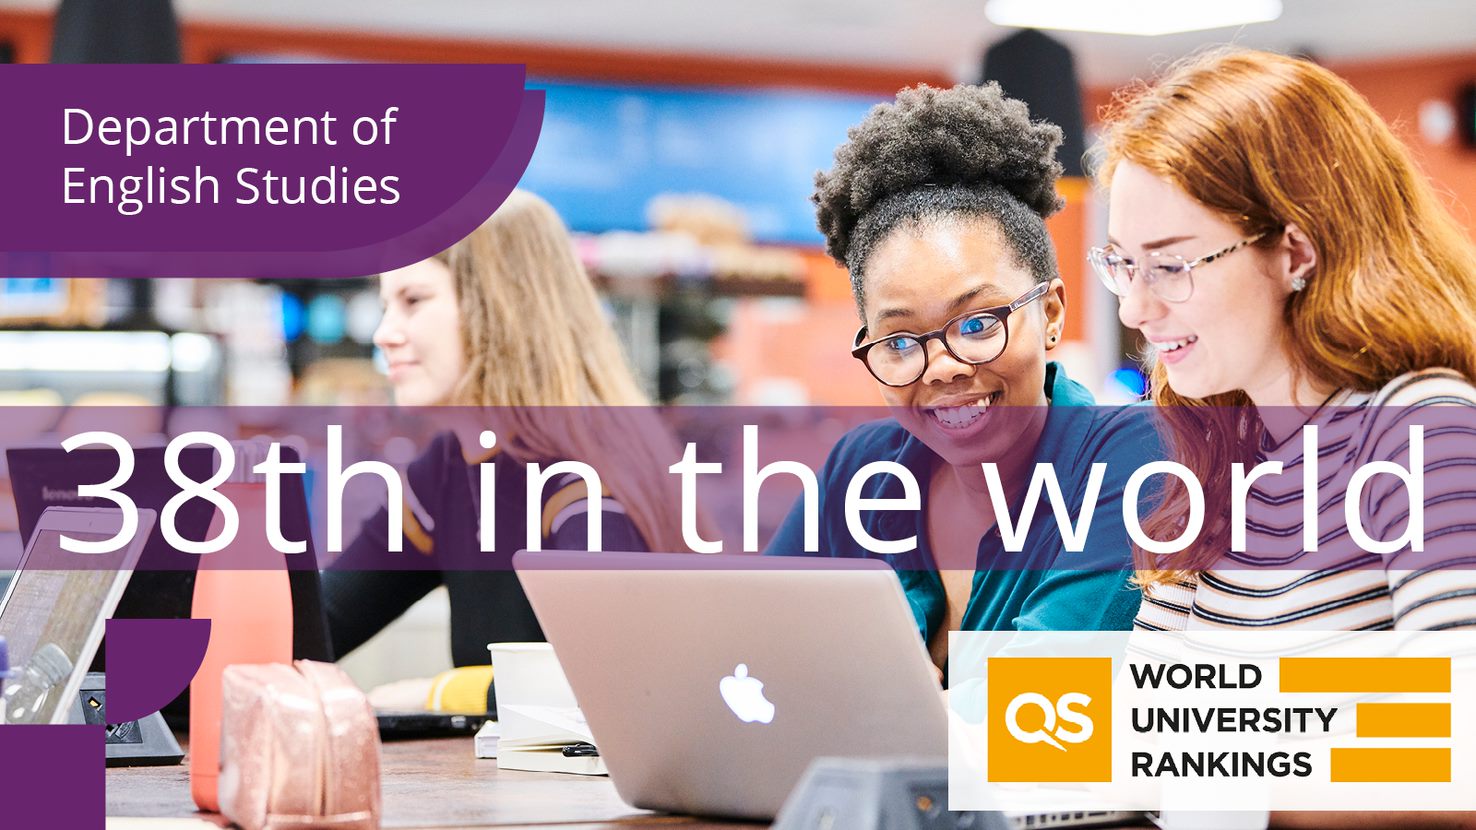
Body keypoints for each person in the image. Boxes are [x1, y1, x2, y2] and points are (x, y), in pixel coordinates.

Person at [765, 83, 1160, 680]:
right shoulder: (862, 471)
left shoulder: (1135, 455)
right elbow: (750, 645)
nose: (943, 366)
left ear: (1049, 315)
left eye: (977, 323)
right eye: (898, 342)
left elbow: (1039, 707)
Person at [1094, 48, 1476, 635]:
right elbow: (1145, 708)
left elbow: (1460, 712)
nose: (1135, 309)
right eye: (1121, 263)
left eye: (1170, 265)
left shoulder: (1421, 428)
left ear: (1295, 253)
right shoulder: (1227, 452)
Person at [324, 190, 690, 670]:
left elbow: (604, 679)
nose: (384, 333)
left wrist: (444, 695)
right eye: (386, 305)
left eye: (413, 301)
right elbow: (319, 627)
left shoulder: (580, 484)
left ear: (500, 306)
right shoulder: (447, 470)